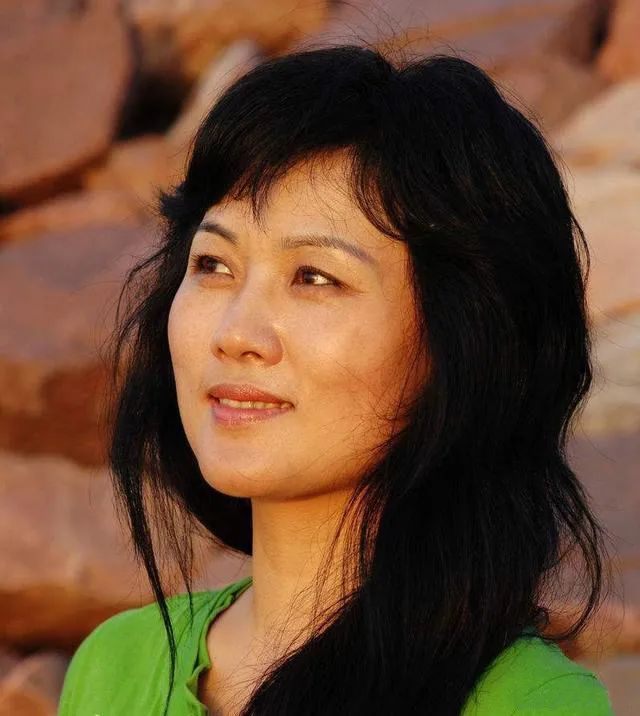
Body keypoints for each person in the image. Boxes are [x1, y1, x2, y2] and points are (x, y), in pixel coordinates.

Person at [57, 44, 617, 716]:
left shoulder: (527, 703)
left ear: (464, 340)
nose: (236, 333)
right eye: (213, 265)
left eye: (315, 278)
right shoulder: (118, 666)